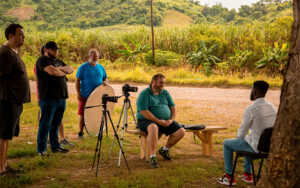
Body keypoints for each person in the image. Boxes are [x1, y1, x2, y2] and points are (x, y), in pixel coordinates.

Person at [218, 80, 277, 186]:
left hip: (256, 148)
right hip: (268, 147)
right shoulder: (272, 107)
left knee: (227, 143)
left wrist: (242, 137)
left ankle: (229, 177)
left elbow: (240, 135)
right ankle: (247, 174)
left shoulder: (251, 109)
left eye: (251, 89)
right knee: (249, 139)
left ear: (255, 92)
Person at [136, 73, 185, 168]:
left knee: (181, 131)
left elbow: (173, 107)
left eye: (164, 83)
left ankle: (165, 149)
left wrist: (171, 120)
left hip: (164, 121)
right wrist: (159, 121)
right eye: (161, 82)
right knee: (153, 127)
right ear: (153, 82)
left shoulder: (165, 92)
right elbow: (144, 112)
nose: (163, 85)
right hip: (146, 120)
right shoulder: (144, 94)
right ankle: (152, 157)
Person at [0, 24, 30, 175]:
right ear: (11, 36)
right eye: (20, 34)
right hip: (6, 100)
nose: (23, 37)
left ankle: (3, 166)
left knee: (7, 135)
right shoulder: (5, 52)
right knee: (3, 134)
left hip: (14, 100)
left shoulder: (14, 51)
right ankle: (0, 168)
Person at [36, 41, 74, 156]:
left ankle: (55, 146)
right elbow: (52, 72)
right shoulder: (42, 60)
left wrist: (60, 70)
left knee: (56, 123)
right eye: (54, 50)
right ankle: (41, 149)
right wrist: (62, 71)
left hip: (61, 97)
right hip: (48, 97)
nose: (56, 52)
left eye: (57, 50)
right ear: (46, 50)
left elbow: (70, 69)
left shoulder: (58, 61)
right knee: (45, 123)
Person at [75, 49, 108, 138]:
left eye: (97, 56)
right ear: (89, 57)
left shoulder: (101, 67)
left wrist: (105, 82)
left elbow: (105, 78)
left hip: (97, 96)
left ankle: (94, 131)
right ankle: (81, 132)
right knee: (82, 114)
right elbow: (77, 81)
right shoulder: (83, 67)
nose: (96, 58)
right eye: (94, 56)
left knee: (95, 113)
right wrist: (78, 93)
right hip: (85, 95)